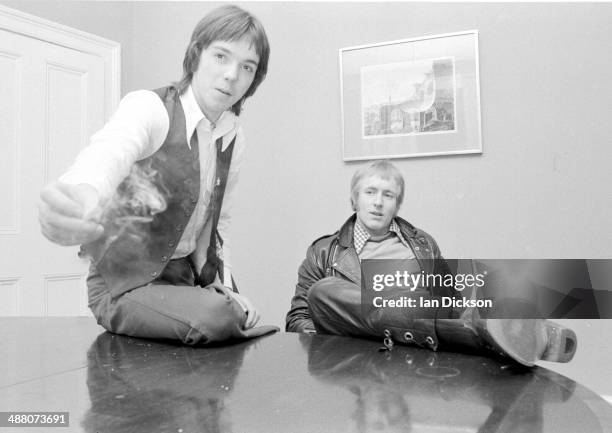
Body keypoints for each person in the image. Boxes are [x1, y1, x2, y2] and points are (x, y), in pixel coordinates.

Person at [38, 5, 277, 344]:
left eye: (247, 67)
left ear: (254, 80)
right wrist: (80, 195)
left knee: (236, 310)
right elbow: (109, 151)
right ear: (196, 55)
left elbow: (216, 225)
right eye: (221, 56)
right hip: (123, 286)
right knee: (220, 316)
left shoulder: (234, 137)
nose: (231, 75)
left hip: (183, 283)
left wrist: (225, 286)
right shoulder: (150, 108)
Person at [285, 160, 577, 366]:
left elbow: (448, 301)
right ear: (354, 200)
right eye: (370, 192)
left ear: (398, 205)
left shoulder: (422, 243)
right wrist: (348, 341)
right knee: (322, 292)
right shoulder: (325, 251)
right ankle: (496, 333)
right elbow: (298, 319)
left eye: (388, 195)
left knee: (496, 281)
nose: (378, 203)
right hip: (366, 338)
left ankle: (521, 330)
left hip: (423, 333)